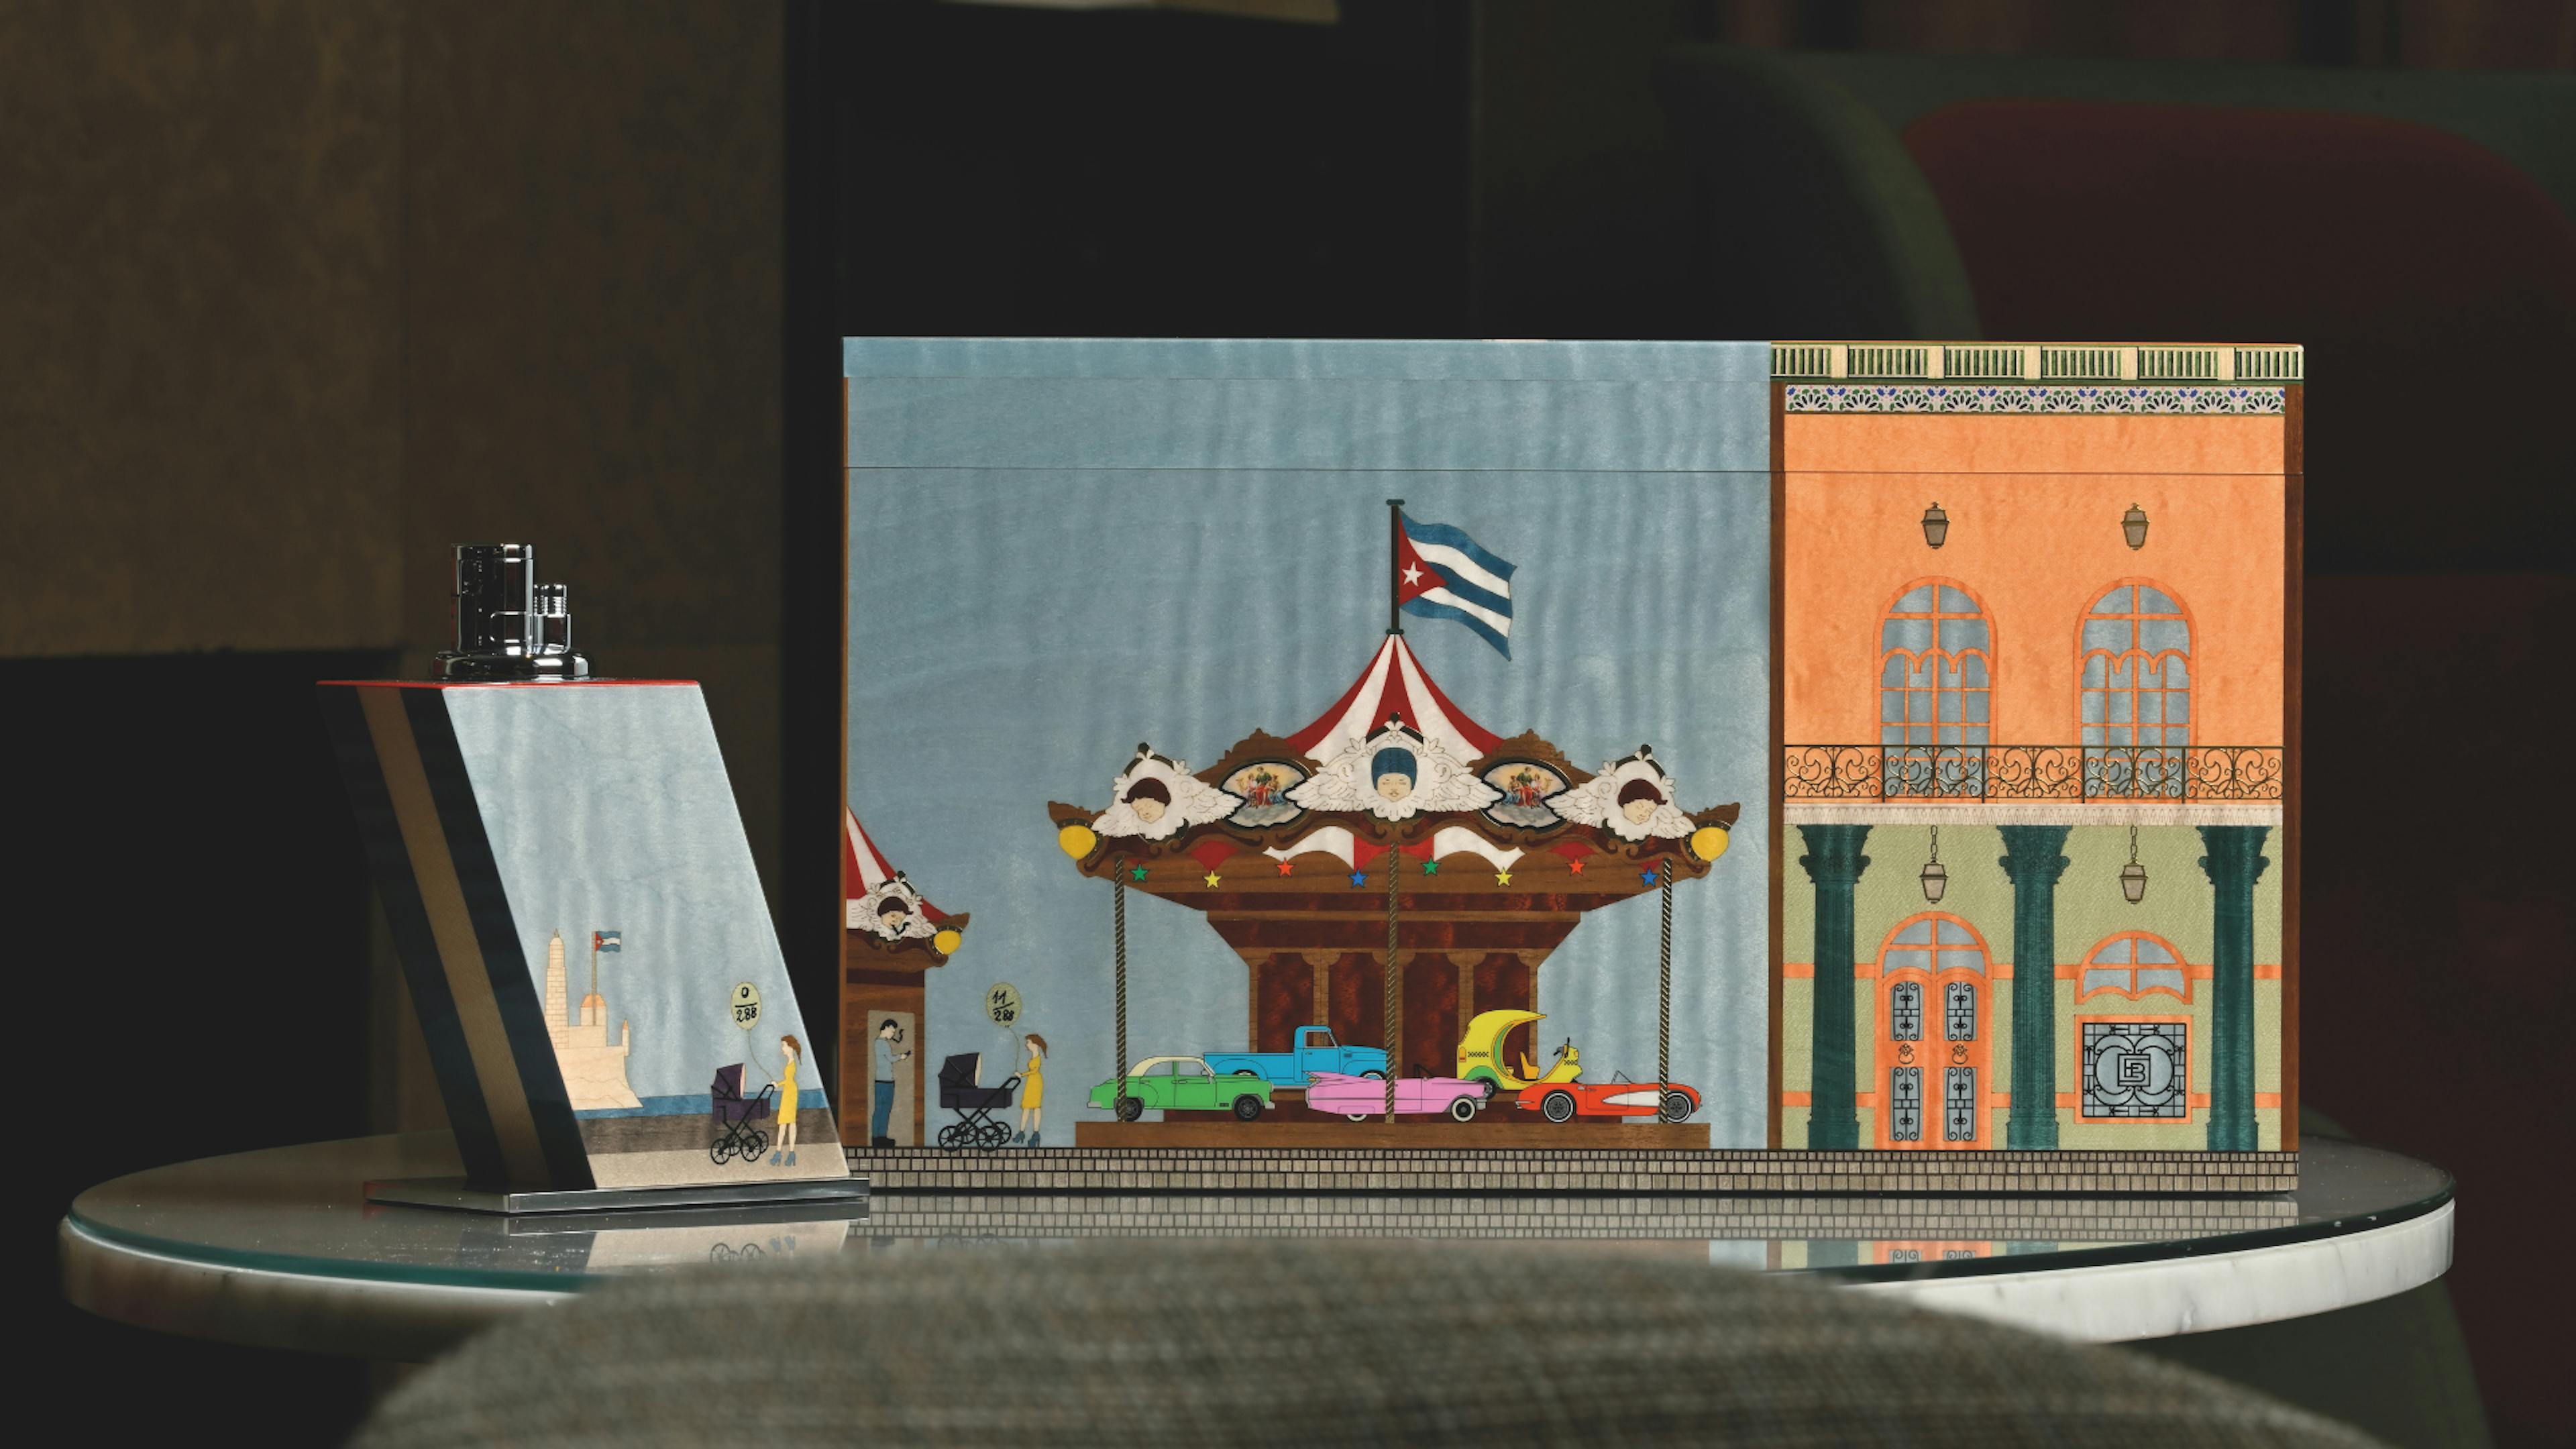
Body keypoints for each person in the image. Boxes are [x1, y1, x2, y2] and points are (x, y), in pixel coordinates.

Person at [869, 1018, 909, 1148]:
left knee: (883, 1110)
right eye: (892, 1031)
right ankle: (878, 1138)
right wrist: (902, 1057)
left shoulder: (880, 1042)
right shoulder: (882, 1043)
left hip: (884, 1081)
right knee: (882, 1110)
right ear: (886, 1028)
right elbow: (891, 1058)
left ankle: (880, 1137)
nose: (893, 1034)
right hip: (884, 1082)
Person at [768, 1034, 804, 1167]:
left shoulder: (792, 1062)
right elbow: (788, 1080)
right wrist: (778, 1084)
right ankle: (780, 1153)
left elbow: (789, 1080)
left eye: (783, 1045)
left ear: (790, 1047)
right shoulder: (790, 1062)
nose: (782, 1048)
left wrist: (777, 1084)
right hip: (788, 1092)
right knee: (784, 1123)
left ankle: (789, 1153)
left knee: (790, 1123)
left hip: (790, 1093)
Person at [1014, 1033, 1047, 1147]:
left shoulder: (1037, 1056)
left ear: (1035, 1044)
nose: (1026, 1045)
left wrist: (1021, 1075)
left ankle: (1035, 1134)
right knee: (1027, 1107)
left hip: (1035, 1082)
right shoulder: (1034, 1056)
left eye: (1028, 1042)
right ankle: (1022, 1132)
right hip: (1031, 1082)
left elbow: (1035, 1071)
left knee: (1035, 1107)